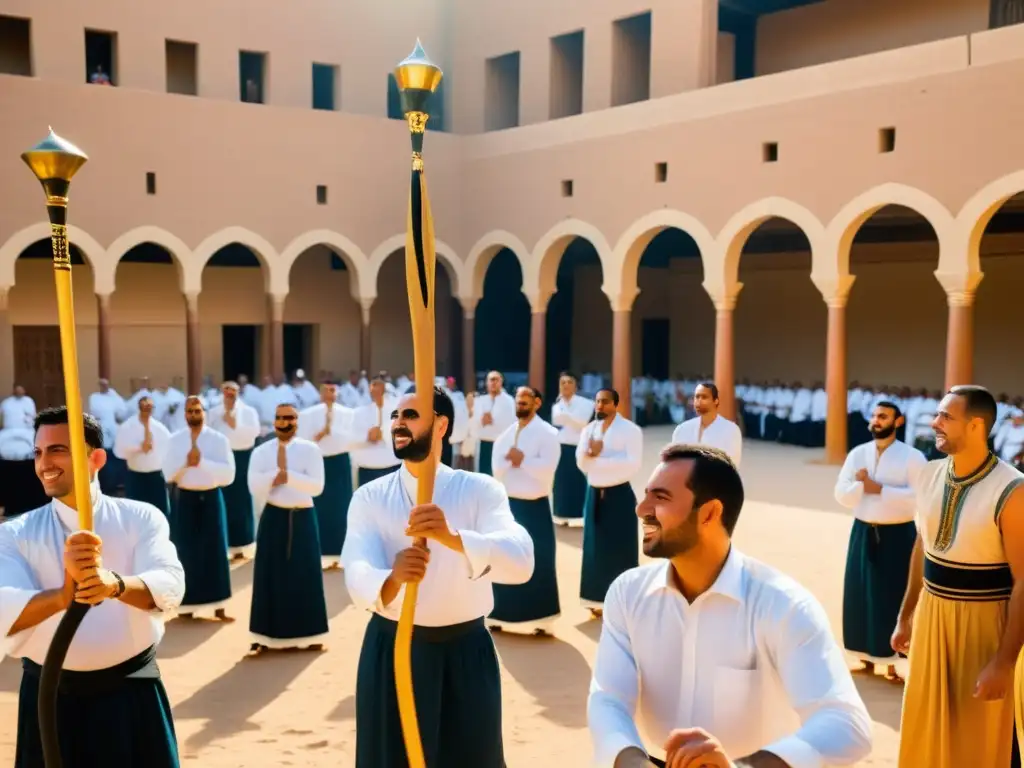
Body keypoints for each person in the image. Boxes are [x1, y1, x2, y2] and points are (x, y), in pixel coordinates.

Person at [589, 443, 873, 767]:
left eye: (661, 497)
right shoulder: (628, 594)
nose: (642, 509)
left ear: (710, 512)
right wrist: (633, 763)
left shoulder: (784, 605)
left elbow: (847, 724)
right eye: (647, 494)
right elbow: (607, 698)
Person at [342, 387, 534, 767]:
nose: (398, 422)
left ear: (442, 425)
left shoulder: (480, 490)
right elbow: (356, 569)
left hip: (466, 654)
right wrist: (393, 578)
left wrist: (453, 539)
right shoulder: (369, 496)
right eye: (396, 415)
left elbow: (522, 560)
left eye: (410, 415)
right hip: (392, 651)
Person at [1, 407, 184, 767]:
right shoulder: (14, 534)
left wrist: (114, 585)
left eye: (58, 450)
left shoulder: (141, 517)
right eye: (38, 452)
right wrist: (62, 596)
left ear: (96, 458)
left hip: (131, 696)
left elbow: (170, 584)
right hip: (50, 703)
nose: (44, 463)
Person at [893, 385, 1024, 768]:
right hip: (931, 620)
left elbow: (1023, 581)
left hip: (984, 627)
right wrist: (906, 617)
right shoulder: (930, 475)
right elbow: (924, 548)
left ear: (976, 425)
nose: (935, 423)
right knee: (925, 728)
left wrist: (1004, 661)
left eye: (946, 417)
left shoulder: (1012, 489)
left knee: (980, 741)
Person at [834, 400, 925, 681]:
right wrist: (863, 486)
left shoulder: (912, 457)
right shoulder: (858, 453)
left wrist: (880, 489)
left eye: (883, 416)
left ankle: (892, 662)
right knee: (860, 595)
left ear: (897, 422)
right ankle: (865, 658)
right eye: (874, 416)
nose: (876, 420)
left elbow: (921, 496)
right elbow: (841, 492)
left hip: (898, 535)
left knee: (892, 596)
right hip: (862, 532)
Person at [247, 403, 329, 652]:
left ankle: (309, 634)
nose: (285, 422)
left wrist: (290, 476)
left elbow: (317, 487)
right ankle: (266, 637)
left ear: (297, 421)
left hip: (303, 517)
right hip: (274, 517)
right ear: (274, 422)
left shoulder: (310, 450)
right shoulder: (261, 452)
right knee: (269, 575)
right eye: (281, 418)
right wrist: (275, 476)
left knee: (305, 575)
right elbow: (253, 486)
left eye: (290, 418)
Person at [489, 386, 561, 635]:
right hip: (509, 505)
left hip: (535, 506)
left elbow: (549, 467)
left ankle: (540, 619)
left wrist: (523, 461)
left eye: (525, 402)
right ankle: (499, 614)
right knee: (503, 556)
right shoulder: (505, 434)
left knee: (539, 558)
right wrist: (511, 461)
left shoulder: (548, 433)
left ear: (537, 403)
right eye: (518, 402)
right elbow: (496, 466)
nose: (520, 405)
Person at [163, 396, 236, 621]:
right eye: (189, 411)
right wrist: (186, 463)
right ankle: (187, 606)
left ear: (204, 412)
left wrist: (202, 462)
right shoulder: (175, 440)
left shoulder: (218, 440)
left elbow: (228, 475)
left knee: (215, 551)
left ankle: (219, 605)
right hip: (184, 500)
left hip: (211, 498)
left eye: (197, 411)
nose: (193, 415)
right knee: (185, 551)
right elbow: (167, 474)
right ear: (184, 414)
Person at [577, 388, 643, 617]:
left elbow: (632, 464)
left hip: (619, 496)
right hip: (593, 494)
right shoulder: (588, 430)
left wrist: (597, 456)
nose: (600, 406)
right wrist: (594, 459)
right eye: (597, 402)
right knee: (595, 548)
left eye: (605, 402)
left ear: (616, 404)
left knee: (620, 548)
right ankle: (595, 599)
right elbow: (581, 463)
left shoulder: (631, 431)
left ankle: (623, 602)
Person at [298, 382, 356, 570]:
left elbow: (352, 439)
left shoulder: (349, 414)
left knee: (340, 508)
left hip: (339, 463)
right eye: (326, 390)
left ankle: (341, 554)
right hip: (319, 461)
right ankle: (318, 553)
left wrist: (332, 431)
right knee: (319, 507)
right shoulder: (308, 414)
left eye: (333, 390)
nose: (330, 394)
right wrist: (320, 434)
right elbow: (303, 439)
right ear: (321, 393)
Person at [208, 382, 262, 560]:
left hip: (242, 457)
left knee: (242, 498)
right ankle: (226, 541)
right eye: (226, 393)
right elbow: (209, 433)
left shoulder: (248, 411)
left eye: (233, 393)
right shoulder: (214, 412)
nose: (229, 396)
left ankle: (244, 542)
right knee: (225, 498)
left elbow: (254, 433)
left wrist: (233, 422)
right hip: (222, 458)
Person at [114, 395, 171, 517]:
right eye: (144, 407)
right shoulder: (127, 427)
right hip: (136, 477)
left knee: (160, 515)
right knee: (135, 515)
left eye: (149, 407)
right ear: (139, 407)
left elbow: (170, 452)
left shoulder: (160, 429)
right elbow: (119, 451)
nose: (147, 410)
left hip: (156, 478)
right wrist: (138, 448)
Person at [551, 372, 594, 526]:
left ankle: (582, 515)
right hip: (561, 446)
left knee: (580, 481)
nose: (566, 385)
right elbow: (557, 422)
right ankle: (562, 514)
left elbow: (581, 422)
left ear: (575, 386)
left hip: (579, 445)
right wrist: (570, 418)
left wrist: (568, 418)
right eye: (562, 383)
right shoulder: (556, 406)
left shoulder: (587, 403)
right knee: (562, 482)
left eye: (569, 382)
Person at [670, 381, 743, 467]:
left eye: (704, 397)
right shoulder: (681, 429)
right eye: (697, 397)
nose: (699, 401)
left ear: (715, 401)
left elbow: (732, 465)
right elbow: (675, 462)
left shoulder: (731, 430)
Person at [349, 375, 400, 487]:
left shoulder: (397, 411)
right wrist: (367, 436)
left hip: (392, 468)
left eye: (379, 385)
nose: (376, 389)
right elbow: (349, 439)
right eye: (373, 385)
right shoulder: (359, 412)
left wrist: (384, 434)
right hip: (367, 470)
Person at [473, 370, 516, 476]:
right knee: (483, 477)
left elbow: (512, 423)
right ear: (487, 383)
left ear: (501, 382)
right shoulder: (480, 400)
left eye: (496, 380)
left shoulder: (509, 401)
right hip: (484, 443)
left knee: (499, 476)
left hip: (501, 444)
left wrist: (493, 421)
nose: (493, 383)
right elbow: (474, 422)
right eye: (491, 380)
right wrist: (481, 420)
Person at [89, 378, 127, 495]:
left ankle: (116, 485)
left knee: (114, 458)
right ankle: (104, 486)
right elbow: (94, 411)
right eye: (101, 385)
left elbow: (122, 413)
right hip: (100, 429)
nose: (103, 387)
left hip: (113, 431)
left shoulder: (115, 397)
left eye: (105, 385)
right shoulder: (94, 397)